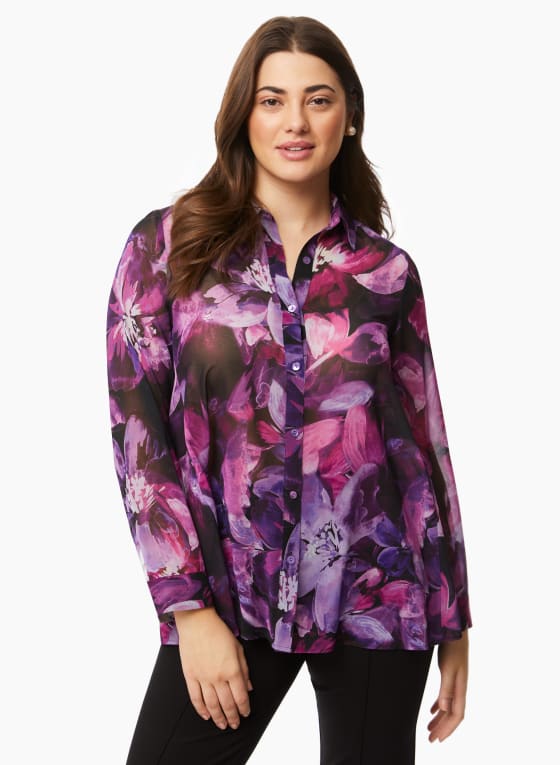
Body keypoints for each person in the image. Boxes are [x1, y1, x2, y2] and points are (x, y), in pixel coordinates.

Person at [106, 15, 473, 765]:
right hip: (228, 595)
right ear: (244, 113)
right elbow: (139, 438)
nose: (295, 122)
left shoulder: (386, 273)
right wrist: (187, 609)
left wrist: (454, 618)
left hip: (378, 592)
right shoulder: (167, 247)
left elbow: (424, 447)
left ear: (350, 116)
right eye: (272, 100)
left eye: (318, 99)